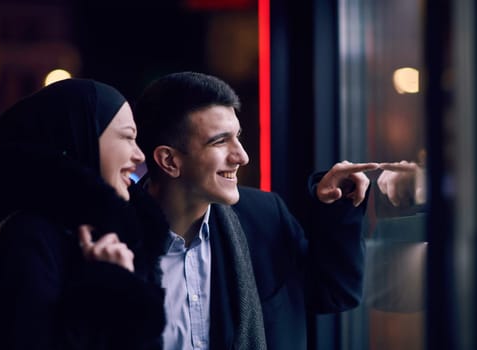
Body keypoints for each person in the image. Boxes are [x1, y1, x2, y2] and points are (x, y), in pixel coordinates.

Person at [132, 71, 378, 350]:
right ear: (169, 160)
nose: (241, 156)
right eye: (219, 141)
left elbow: (335, 294)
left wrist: (337, 207)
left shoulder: (263, 215)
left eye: (237, 137)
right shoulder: (115, 238)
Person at [0, 79, 167, 349]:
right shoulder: (28, 238)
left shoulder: (112, 238)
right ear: (79, 138)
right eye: (128, 137)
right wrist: (108, 285)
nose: (139, 155)